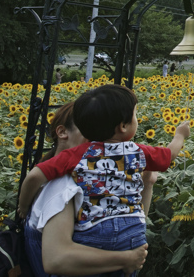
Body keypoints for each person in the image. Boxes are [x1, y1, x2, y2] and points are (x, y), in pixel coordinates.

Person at [18, 85, 189, 266]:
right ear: (123, 126)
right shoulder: (136, 151)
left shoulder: (78, 157)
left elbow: (34, 176)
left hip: (94, 232)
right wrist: (180, 135)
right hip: (133, 230)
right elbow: (169, 155)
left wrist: (23, 205)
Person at [23, 102, 150, 276]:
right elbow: (57, 259)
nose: (99, 139)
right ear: (62, 132)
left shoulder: (87, 178)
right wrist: (126, 259)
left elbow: (128, 228)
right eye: (89, 131)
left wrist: (148, 181)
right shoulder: (63, 185)